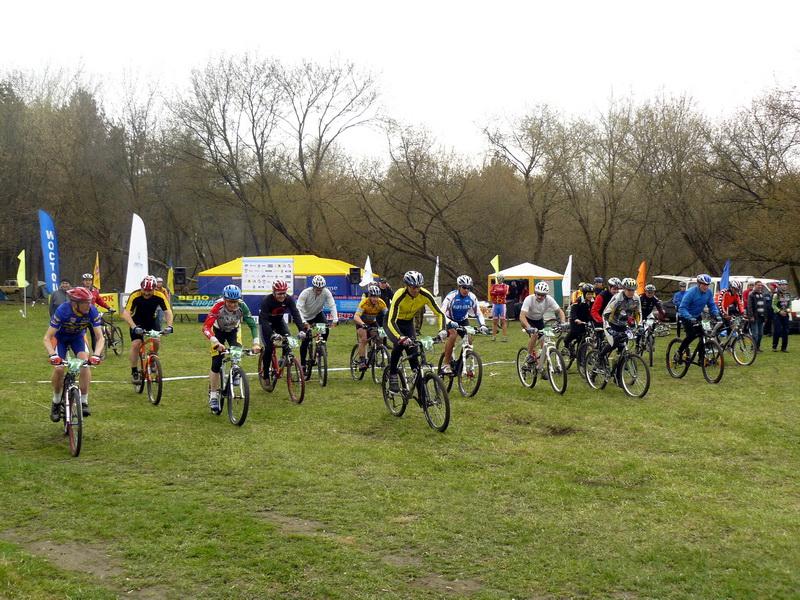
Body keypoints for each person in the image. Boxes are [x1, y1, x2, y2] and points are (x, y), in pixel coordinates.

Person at [44, 287, 104, 420]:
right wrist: (52, 355)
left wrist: (96, 355)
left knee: (85, 363)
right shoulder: (63, 311)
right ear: (74, 303)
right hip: (61, 339)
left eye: (89, 302)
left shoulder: (92, 310)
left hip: (78, 338)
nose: (89, 305)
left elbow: (100, 337)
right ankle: (56, 401)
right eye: (85, 302)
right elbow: (47, 338)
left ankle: (83, 401)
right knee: (59, 369)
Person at [202, 284, 260, 414]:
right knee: (216, 363)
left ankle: (235, 372)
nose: (233, 305)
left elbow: (253, 325)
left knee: (237, 353)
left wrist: (256, 343)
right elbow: (206, 327)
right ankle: (213, 395)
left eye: (236, 302)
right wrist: (216, 342)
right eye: (230, 302)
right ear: (225, 299)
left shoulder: (242, 306)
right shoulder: (218, 306)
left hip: (234, 331)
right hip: (218, 332)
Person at [386, 271, 448, 393]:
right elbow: (391, 321)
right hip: (393, 322)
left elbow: (439, 313)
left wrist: (442, 330)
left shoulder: (425, 294)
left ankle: (422, 396)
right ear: (407, 286)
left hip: (408, 323)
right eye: (413, 287)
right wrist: (400, 337)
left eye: (419, 287)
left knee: (414, 356)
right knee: (399, 346)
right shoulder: (399, 295)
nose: (416, 290)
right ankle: (393, 375)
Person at [122, 276, 174, 384]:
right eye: (144, 290)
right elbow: (126, 313)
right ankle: (134, 371)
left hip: (151, 321)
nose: (146, 293)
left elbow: (168, 311)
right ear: (141, 287)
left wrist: (169, 326)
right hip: (136, 322)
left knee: (156, 340)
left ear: (154, 289)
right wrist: (133, 327)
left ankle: (153, 357)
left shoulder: (159, 295)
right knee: (136, 344)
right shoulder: (135, 295)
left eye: (149, 291)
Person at [440, 275, 489, 373]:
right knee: (453, 335)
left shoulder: (472, 297)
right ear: (459, 287)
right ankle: (446, 364)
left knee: (469, 339)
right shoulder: (451, 296)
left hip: (463, 320)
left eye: (469, 288)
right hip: (449, 319)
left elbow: (478, 313)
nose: (466, 290)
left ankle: (462, 363)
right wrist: (450, 322)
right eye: (464, 287)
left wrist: (483, 325)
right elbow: (441, 312)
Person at [258, 279, 309, 372]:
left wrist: (301, 330)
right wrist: (271, 334)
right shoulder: (267, 301)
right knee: (269, 348)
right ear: (274, 293)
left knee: (288, 339)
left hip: (279, 322)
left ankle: (283, 358)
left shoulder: (289, 299)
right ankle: (265, 374)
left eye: (284, 293)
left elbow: (295, 314)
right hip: (266, 324)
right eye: (279, 293)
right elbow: (263, 320)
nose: (282, 296)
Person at [297, 275, 339, 378]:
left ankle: (321, 347)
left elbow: (332, 305)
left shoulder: (326, 292)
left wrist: (335, 319)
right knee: (305, 340)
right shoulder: (305, 293)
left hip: (317, 315)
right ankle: (302, 364)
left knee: (325, 329)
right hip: (305, 317)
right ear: (313, 287)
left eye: (321, 289)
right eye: (317, 289)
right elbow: (298, 308)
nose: (319, 291)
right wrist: (303, 322)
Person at [519, 281, 567, 368]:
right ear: (535, 293)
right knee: (535, 334)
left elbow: (560, 311)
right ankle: (529, 355)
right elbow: (522, 316)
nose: (540, 297)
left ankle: (540, 366)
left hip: (539, 320)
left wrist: (563, 323)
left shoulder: (549, 299)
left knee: (544, 341)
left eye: (543, 295)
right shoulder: (529, 299)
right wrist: (529, 327)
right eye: (538, 294)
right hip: (527, 320)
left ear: (546, 295)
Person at [600, 277, 642, 370]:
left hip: (623, 324)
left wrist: (639, 325)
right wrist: (608, 328)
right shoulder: (617, 297)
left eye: (633, 290)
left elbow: (638, 313)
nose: (631, 292)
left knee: (623, 346)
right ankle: (600, 357)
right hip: (611, 323)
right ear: (624, 289)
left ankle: (618, 369)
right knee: (614, 342)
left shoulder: (636, 298)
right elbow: (606, 314)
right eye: (629, 290)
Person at [677, 274, 721, 361]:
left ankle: (701, 358)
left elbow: (711, 305)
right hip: (686, 316)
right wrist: (689, 317)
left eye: (707, 285)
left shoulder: (708, 292)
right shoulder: (691, 292)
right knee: (692, 335)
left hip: (697, 316)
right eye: (704, 285)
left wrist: (716, 314)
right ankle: (679, 351)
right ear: (698, 284)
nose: (706, 287)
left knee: (704, 335)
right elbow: (682, 308)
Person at [353, 284, 388, 369]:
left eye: (377, 297)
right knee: (364, 339)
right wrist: (363, 324)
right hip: (361, 322)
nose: (375, 299)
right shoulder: (364, 303)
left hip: (372, 322)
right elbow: (356, 317)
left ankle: (372, 353)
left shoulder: (381, 303)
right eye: (373, 297)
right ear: (369, 296)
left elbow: (388, 315)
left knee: (380, 337)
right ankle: (362, 361)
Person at [81, 272, 112, 352]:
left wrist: (108, 307)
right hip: (81, 316)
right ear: (82, 281)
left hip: (92, 315)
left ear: (91, 281)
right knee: (81, 334)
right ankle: (83, 351)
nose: (87, 282)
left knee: (94, 334)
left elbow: (100, 301)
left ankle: (96, 352)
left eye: (89, 280)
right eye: (86, 280)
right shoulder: (80, 291)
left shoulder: (95, 291)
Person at [563, 283, 595, 358]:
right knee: (574, 332)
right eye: (588, 294)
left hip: (585, 321)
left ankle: (581, 357)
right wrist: (576, 319)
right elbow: (573, 312)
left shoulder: (593, 301)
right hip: (576, 320)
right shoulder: (579, 300)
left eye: (591, 294)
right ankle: (567, 342)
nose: (590, 296)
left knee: (583, 338)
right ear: (584, 294)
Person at [746, 280, 768, 352]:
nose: (760, 286)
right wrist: (751, 316)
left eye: (761, 285)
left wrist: (765, 316)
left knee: (761, 334)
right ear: (755, 286)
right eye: (758, 285)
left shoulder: (762, 294)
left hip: (761, 317)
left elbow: (764, 306)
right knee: (755, 334)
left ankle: (757, 347)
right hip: (755, 317)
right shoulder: (751, 294)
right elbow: (749, 306)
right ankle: (753, 348)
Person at [771, 279, 792, 352]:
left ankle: (784, 348)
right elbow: (773, 305)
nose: (784, 286)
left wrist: (788, 310)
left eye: (785, 285)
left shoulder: (788, 294)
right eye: (782, 285)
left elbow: (789, 304)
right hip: (777, 315)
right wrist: (779, 311)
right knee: (778, 330)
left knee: (786, 331)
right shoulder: (776, 295)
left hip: (786, 314)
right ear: (779, 286)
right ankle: (774, 346)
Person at [489, 275, 510, 342]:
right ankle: (494, 336)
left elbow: (504, 292)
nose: (499, 280)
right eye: (498, 279)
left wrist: (496, 292)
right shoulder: (494, 286)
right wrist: (498, 292)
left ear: (503, 279)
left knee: (503, 321)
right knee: (494, 321)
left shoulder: (506, 286)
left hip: (502, 305)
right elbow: (491, 293)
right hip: (495, 305)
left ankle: (504, 337)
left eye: (500, 279)